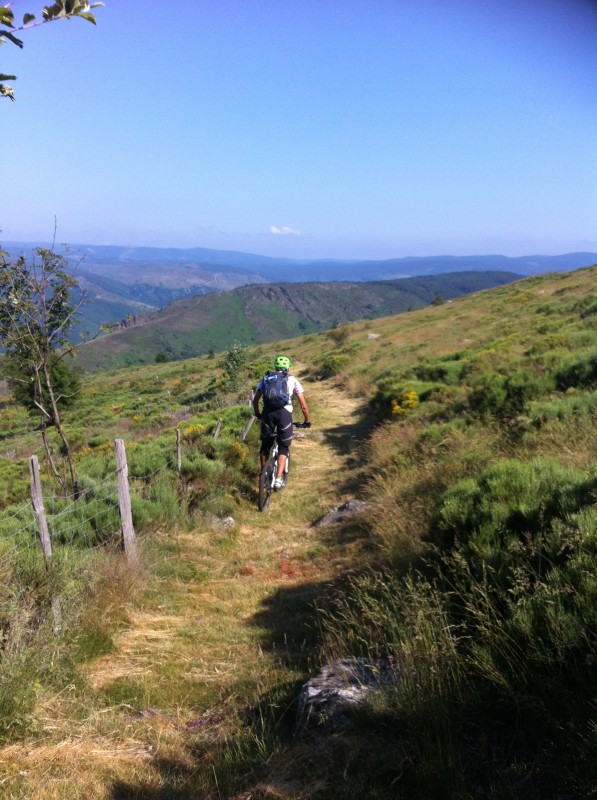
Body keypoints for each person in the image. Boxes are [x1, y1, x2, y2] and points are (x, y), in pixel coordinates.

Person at [252, 355, 311, 490]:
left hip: (268, 413)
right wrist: (307, 420)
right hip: (284, 414)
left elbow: (255, 400)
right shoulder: (292, 380)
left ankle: (264, 475)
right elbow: (304, 406)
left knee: (265, 445)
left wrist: (258, 413)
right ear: (288, 367)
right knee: (283, 446)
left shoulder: (266, 378)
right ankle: (278, 478)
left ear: (275, 367)